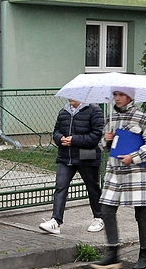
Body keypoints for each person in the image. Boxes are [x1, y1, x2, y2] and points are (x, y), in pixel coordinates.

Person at [89, 87, 146, 269]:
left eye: (121, 94)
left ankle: (144, 256)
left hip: (138, 172)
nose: (117, 98)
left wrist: (134, 156)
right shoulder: (110, 118)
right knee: (106, 209)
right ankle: (113, 254)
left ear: (130, 96)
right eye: (115, 94)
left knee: (141, 213)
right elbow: (105, 146)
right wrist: (106, 140)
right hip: (115, 172)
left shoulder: (142, 118)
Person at [39, 99, 105, 235]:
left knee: (92, 187)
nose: (71, 98)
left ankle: (99, 217)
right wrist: (60, 139)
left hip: (86, 156)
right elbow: (56, 131)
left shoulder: (94, 110)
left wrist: (74, 140)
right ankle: (55, 221)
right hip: (65, 157)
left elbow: (96, 135)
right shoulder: (63, 112)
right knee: (60, 187)